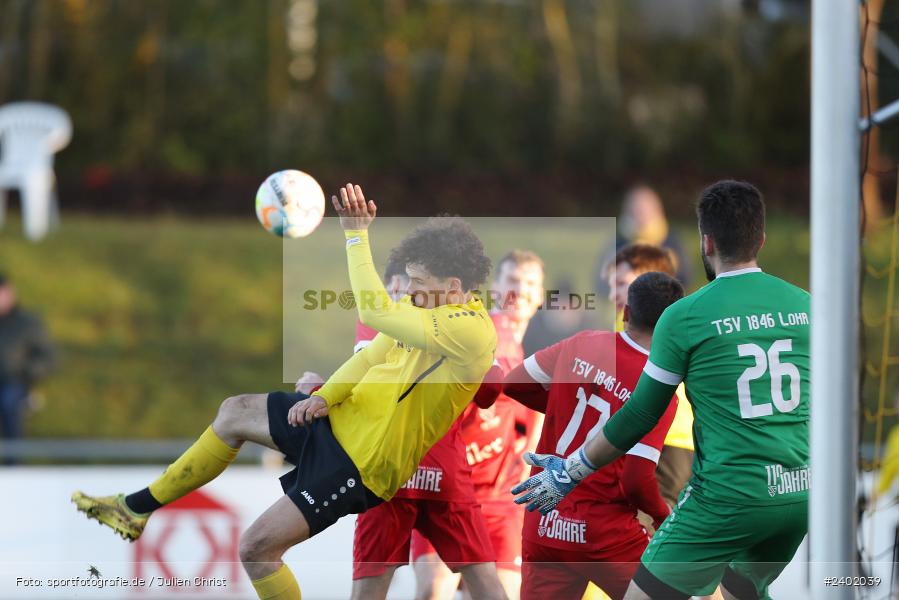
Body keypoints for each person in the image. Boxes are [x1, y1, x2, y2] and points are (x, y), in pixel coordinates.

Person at [72, 184, 504, 600]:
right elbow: (371, 357)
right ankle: (136, 508)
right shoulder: (427, 307)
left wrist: (355, 235)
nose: (408, 291)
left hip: (360, 464)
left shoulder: (470, 330)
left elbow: (375, 310)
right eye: (407, 280)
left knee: (256, 550)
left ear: (452, 287)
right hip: (338, 422)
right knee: (234, 411)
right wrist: (325, 397)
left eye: (418, 282)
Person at [513, 181, 809, 600]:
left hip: (726, 495)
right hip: (797, 493)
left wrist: (570, 471)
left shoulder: (684, 315)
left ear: (705, 241)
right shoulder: (806, 305)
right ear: (761, 238)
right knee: (741, 586)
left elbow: (639, 414)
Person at [504, 271, 683, 600]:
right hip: (605, 532)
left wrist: (562, 407)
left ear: (626, 313)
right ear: (673, 326)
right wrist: (662, 517)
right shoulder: (659, 388)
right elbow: (637, 479)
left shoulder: (580, 342)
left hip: (545, 521)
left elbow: (513, 382)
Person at [347, 255, 506, 600]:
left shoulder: (389, 325)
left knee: (378, 589)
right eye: (399, 287)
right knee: (471, 584)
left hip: (394, 471)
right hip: (433, 471)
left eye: (411, 285)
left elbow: (362, 387)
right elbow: (491, 389)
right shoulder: (458, 324)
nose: (406, 294)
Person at [413, 250, 545, 600]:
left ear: (541, 296)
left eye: (530, 283)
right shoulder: (484, 333)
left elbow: (533, 418)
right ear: (497, 287)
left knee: (503, 594)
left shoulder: (528, 355)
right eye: (513, 281)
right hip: (446, 490)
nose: (521, 290)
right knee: (432, 589)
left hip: (500, 502)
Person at [606, 245, 694, 507]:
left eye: (620, 284)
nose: (613, 294)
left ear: (647, 278)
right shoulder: (624, 321)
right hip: (636, 437)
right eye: (611, 285)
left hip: (671, 443)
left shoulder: (673, 323)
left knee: (652, 529)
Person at [0, 273, 56, 459]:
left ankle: (14, 467)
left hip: (16, 384)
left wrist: (26, 372)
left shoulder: (27, 324)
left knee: (9, 402)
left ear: (10, 293)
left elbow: (48, 358)